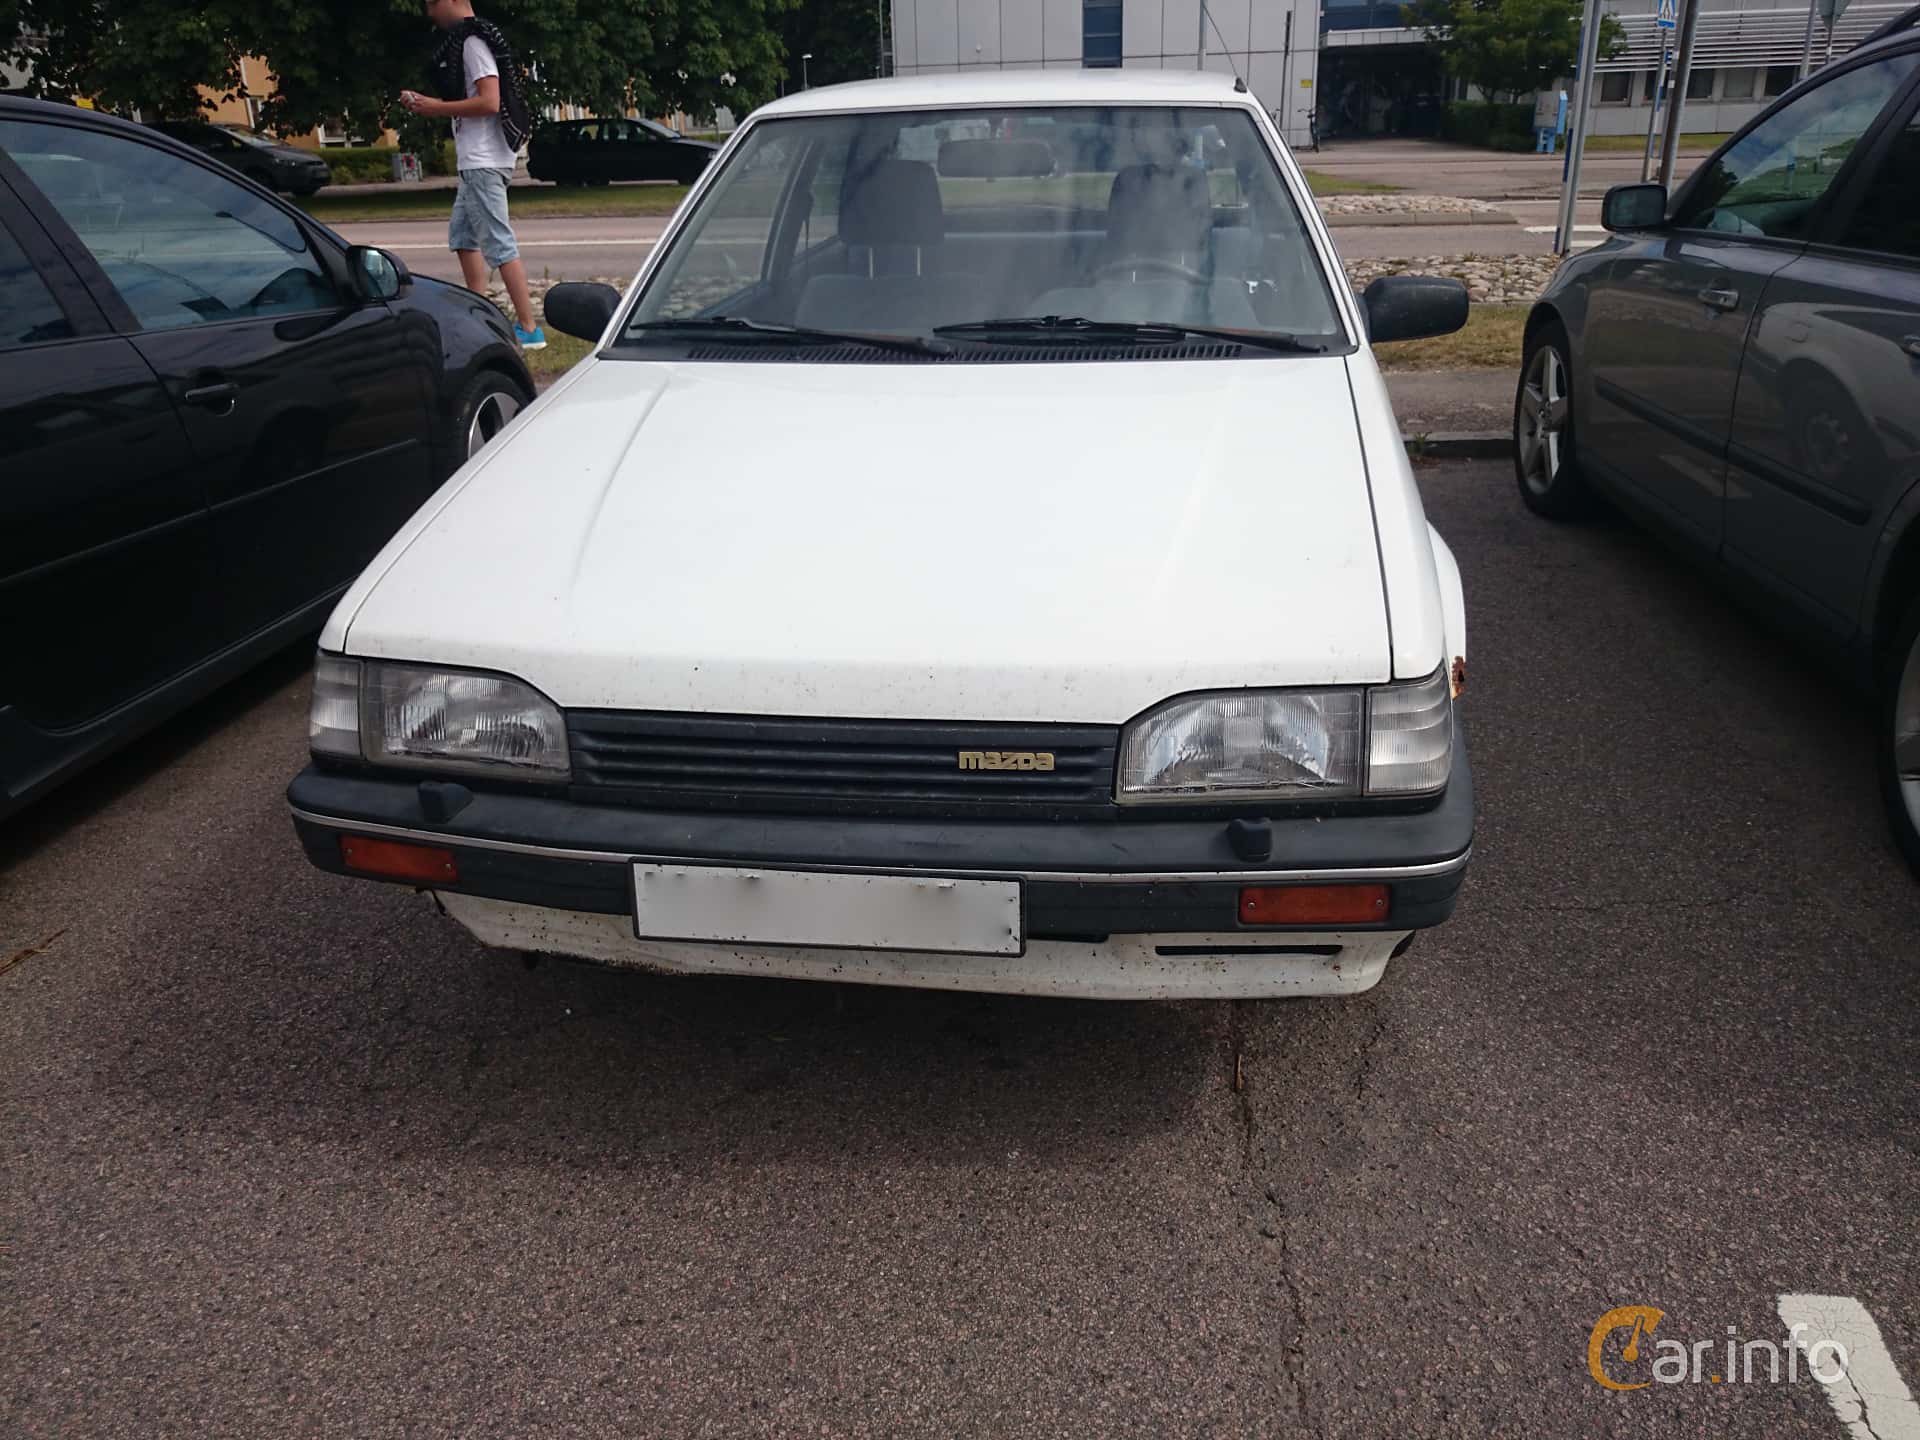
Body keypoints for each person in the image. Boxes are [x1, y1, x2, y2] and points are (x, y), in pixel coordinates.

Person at [400, 0, 544, 348]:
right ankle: (478, 313)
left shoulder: (473, 42)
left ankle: (529, 329)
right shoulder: (469, 40)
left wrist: (436, 107)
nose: (430, 12)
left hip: (483, 160)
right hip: (476, 161)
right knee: (463, 237)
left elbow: (489, 101)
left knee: (499, 243)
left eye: (432, 4)